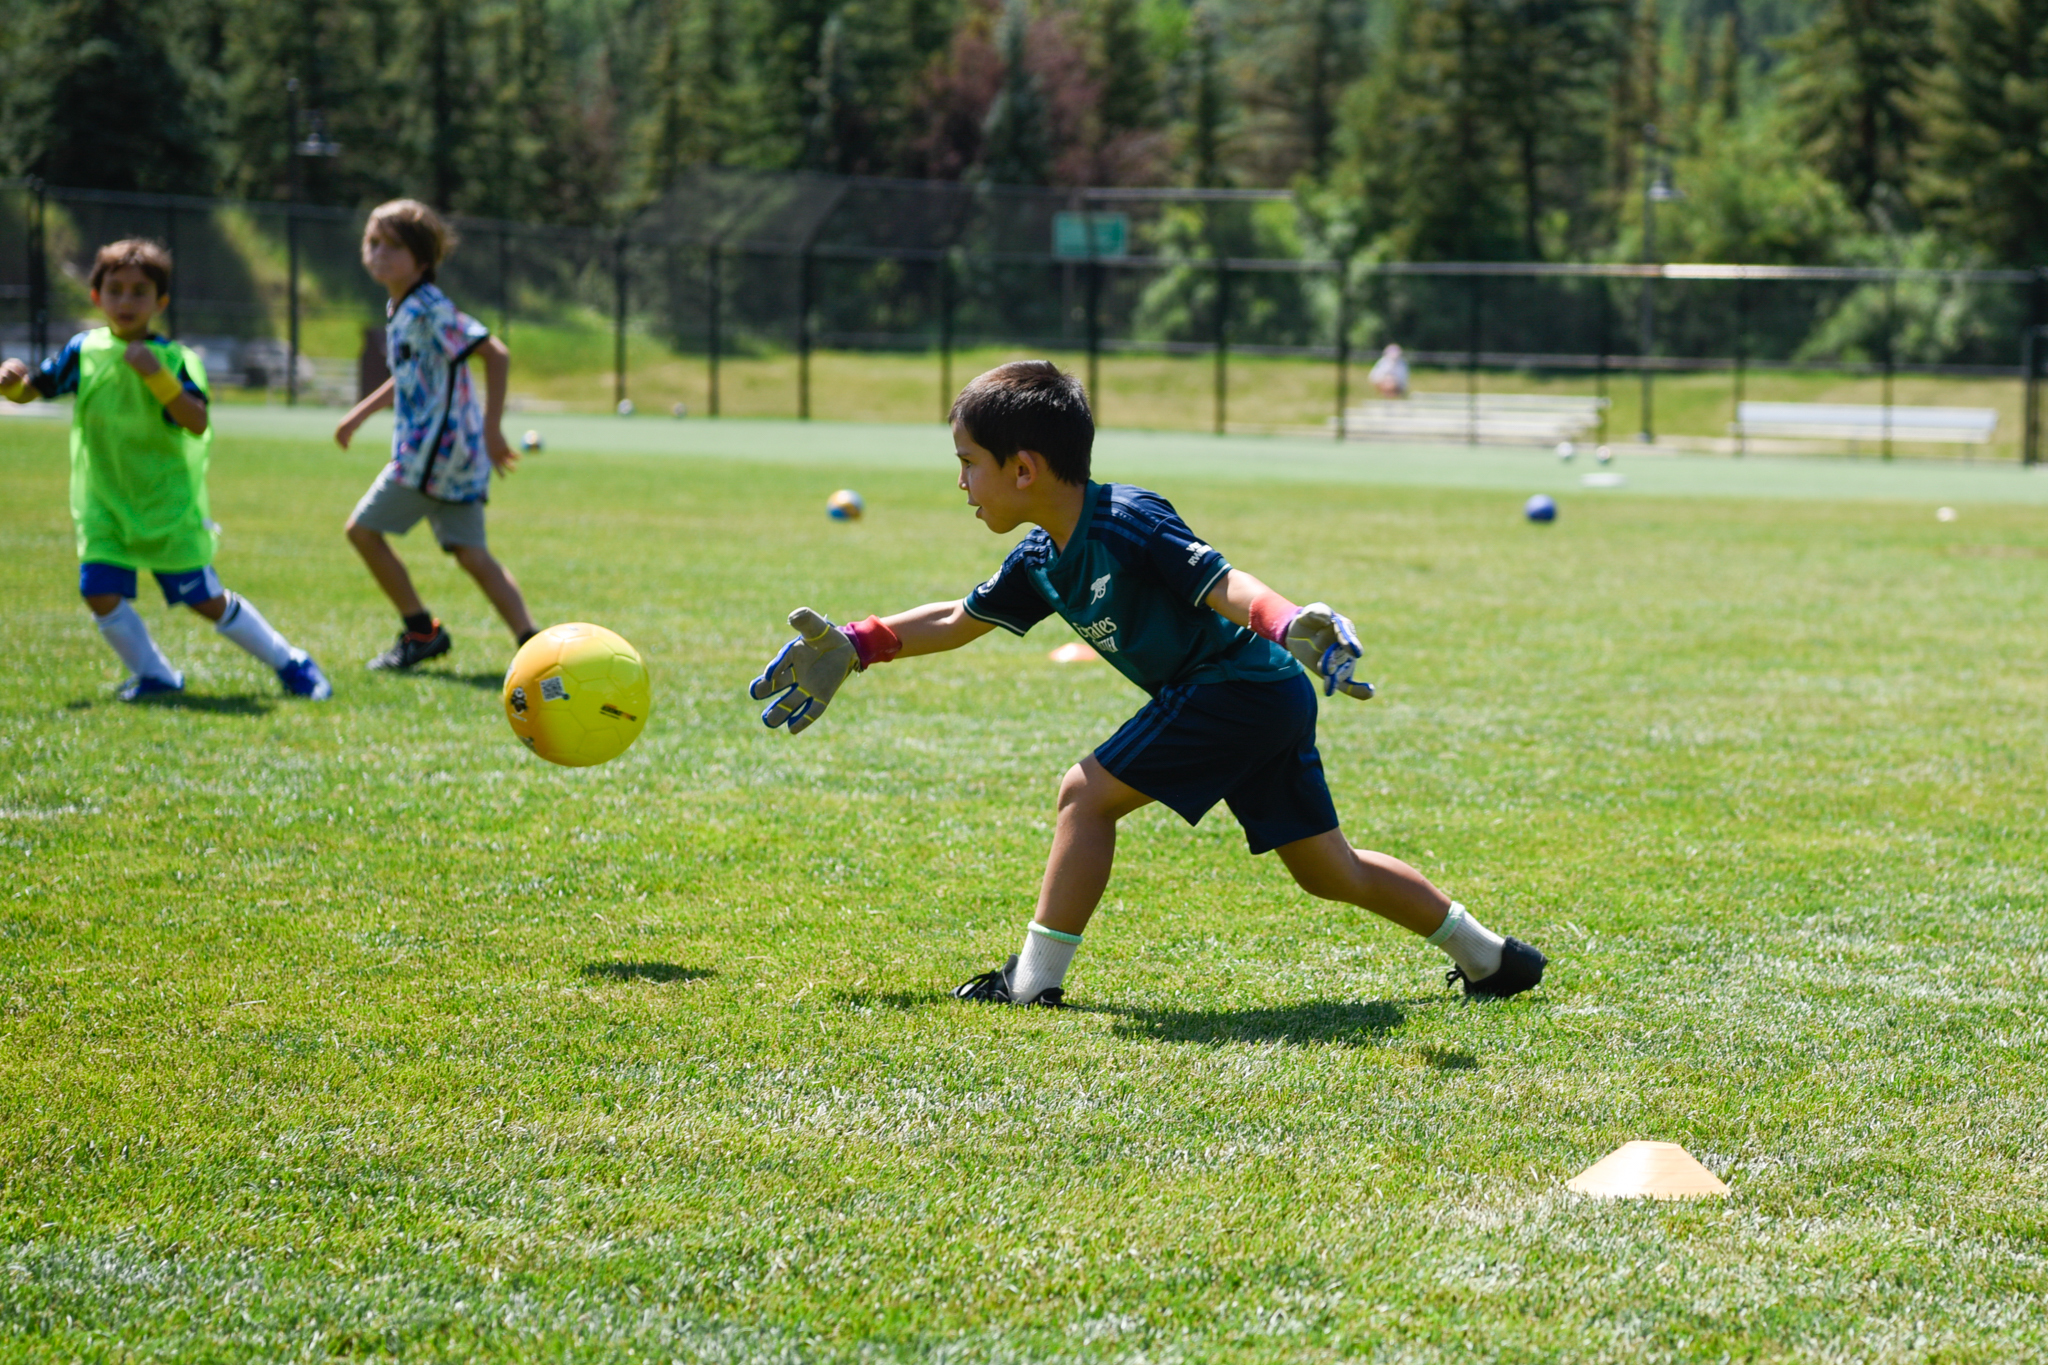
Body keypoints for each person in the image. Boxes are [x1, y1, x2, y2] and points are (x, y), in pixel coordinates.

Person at [749, 361, 1546, 1007]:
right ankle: (1491, 958)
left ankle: (1032, 983)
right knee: (1327, 870)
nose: (962, 483)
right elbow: (961, 617)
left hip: (1239, 683)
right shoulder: (1041, 560)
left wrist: (1288, 618)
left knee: (1083, 792)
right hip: (1254, 696)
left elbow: (1226, 584)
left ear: (1023, 469)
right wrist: (859, 643)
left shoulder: (1128, 519)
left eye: (968, 463)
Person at [0, 239, 331, 703]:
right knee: (97, 590)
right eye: (115, 290)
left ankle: (291, 662)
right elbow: (37, 388)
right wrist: (13, 383)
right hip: (105, 504)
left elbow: (196, 421)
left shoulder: (176, 359)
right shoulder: (84, 350)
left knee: (204, 600)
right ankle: (156, 675)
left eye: (139, 291)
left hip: (166, 507)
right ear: (96, 297)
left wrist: (156, 375)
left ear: (161, 302)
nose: (126, 300)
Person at [334, 199, 537, 670]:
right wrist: (359, 415)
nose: (378, 252)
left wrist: (493, 429)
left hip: (433, 455)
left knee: (362, 532)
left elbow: (496, 354)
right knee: (471, 553)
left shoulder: (428, 308)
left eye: (393, 246)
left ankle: (421, 631)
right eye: (373, 242)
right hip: (454, 457)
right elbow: (410, 375)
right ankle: (532, 643)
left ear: (422, 259)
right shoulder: (401, 307)